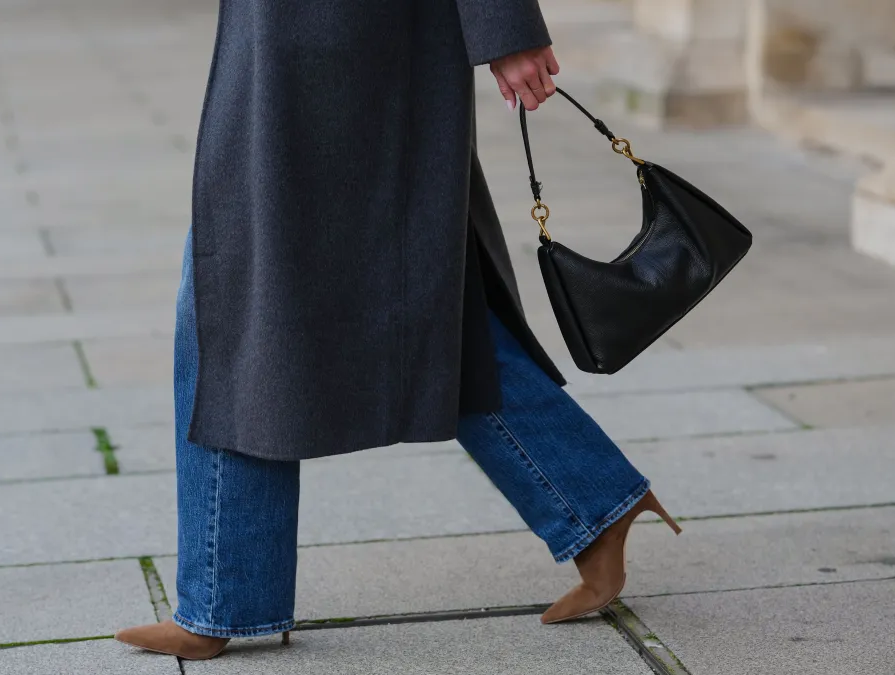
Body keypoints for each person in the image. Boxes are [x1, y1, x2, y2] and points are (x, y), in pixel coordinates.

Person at [115, 0, 680, 660]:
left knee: (248, 301)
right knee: (405, 304)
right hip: (301, 45)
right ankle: (595, 501)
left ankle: (222, 598)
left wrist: (505, 27)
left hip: (345, 50)